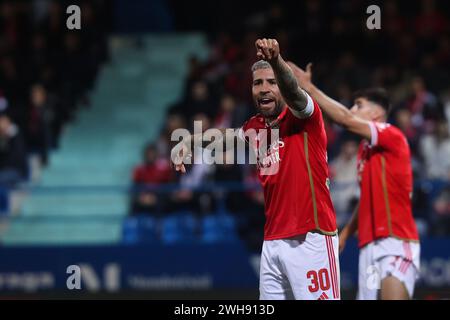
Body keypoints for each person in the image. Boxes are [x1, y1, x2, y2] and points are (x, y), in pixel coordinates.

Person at [172, 38, 339, 300]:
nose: (264, 88)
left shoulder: (304, 117)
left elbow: (295, 93)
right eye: (258, 83)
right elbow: (228, 136)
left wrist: (275, 61)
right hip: (272, 242)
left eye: (272, 82)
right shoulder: (257, 127)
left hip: (311, 238)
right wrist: (190, 140)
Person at [289, 62, 420, 300]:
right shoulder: (364, 150)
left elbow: (345, 119)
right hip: (367, 246)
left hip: (395, 241)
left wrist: (309, 88)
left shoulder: (392, 135)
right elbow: (367, 199)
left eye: (358, 105)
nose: (352, 109)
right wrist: (347, 233)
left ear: (376, 114)